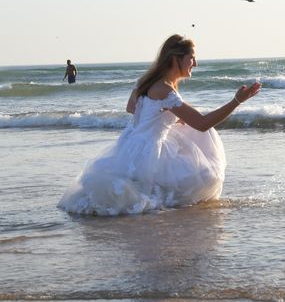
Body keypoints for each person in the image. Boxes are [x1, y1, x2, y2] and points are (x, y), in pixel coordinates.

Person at [58, 34, 261, 215]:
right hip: (149, 153)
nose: (195, 64)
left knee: (134, 192)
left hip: (129, 146)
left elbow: (131, 108)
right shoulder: (165, 90)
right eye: (191, 58)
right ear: (176, 59)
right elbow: (202, 123)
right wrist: (237, 101)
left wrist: (163, 116)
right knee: (203, 174)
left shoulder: (146, 81)